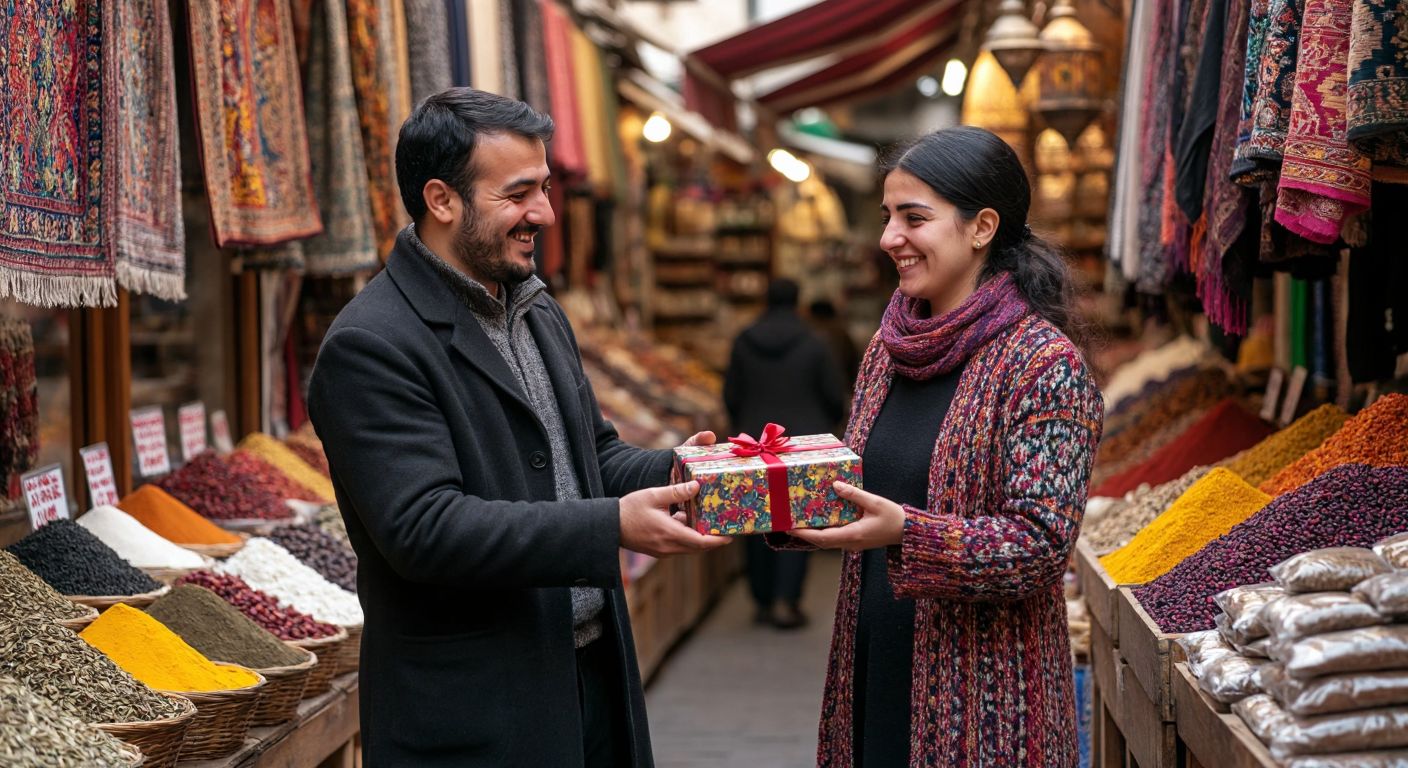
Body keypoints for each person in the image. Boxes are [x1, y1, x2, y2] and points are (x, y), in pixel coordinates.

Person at [307, 88, 727, 767]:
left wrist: (685, 473)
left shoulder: (533, 309)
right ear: (442, 200)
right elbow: (425, 530)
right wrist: (611, 525)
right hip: (477, 711)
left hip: (587, 680)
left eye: (546, 188)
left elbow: (590, 457)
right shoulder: (371, 344)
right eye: (519, 193)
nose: (546, 213)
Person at [784, 126, 1104, 766]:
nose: (889, 238)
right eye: (887, 217)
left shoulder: (1043, 366)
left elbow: (1038, 547)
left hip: (985, 702)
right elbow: (865, 489)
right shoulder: (888, 348)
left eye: (913, 217)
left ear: (982, 226)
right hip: (874, 664)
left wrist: (907, 532)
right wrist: (781, 491)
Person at [724, 279, 847, 629]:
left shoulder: (743, 342)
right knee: (795, 521)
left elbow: (731, 393)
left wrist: (744, 425)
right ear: (798, 302)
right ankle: (787, 601)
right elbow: (833, 395)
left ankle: (762, 598)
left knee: (754, 517)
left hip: (753, 443)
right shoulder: (814, 343)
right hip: (798, 445)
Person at [808, 297, 861, 392]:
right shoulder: (841, 333)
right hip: (839, 387)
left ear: (812, 315)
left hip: (813, 391)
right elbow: (853, 362)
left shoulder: (808, 333)